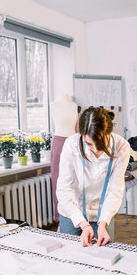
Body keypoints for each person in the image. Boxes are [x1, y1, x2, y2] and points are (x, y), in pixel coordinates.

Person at [56, 106, 131, 275]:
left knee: (105, 268)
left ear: (109, 132)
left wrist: (103, 221)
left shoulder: (121, 146)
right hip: (73, 212)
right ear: (81, 136)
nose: (96, 150)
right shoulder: (71, 145)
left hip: (103, 214)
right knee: (73, 266)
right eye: (89, 144)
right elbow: (65, 189)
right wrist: (82, 223)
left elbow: (116, 188)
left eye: (100, 143)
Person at [50, 94, 79, 223]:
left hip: (74, 141)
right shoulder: (54, 105)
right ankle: (60, 218)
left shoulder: (73, 105)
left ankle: (77, 214)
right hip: (59, 143)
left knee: (76, 179)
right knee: (59, 180)